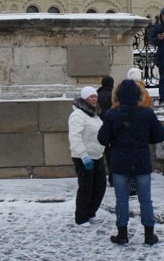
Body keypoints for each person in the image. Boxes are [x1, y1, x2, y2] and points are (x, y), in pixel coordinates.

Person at [97, 79, 164, 246]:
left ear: (118, 95)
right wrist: (143, 138)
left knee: (121, 200)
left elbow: (102, 139)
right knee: (145, 199)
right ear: (138, 95)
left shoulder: (112, 114)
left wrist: (116, 138)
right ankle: (149, 235)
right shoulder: (147, 114)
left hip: (120, 161)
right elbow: (160, 135)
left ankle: (122, 234)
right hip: (141, 160)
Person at [68, 86, 107, 227]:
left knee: (100, 185)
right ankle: (81, 216)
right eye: (91, 96)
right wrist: (84, 156)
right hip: (83, 156)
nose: (94, 99)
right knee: (86, 187)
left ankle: (91, 212)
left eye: (95, 96)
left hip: (97, 156)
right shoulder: (77, 115)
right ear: (85, 98)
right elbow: (75, 137)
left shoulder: (95, 115)